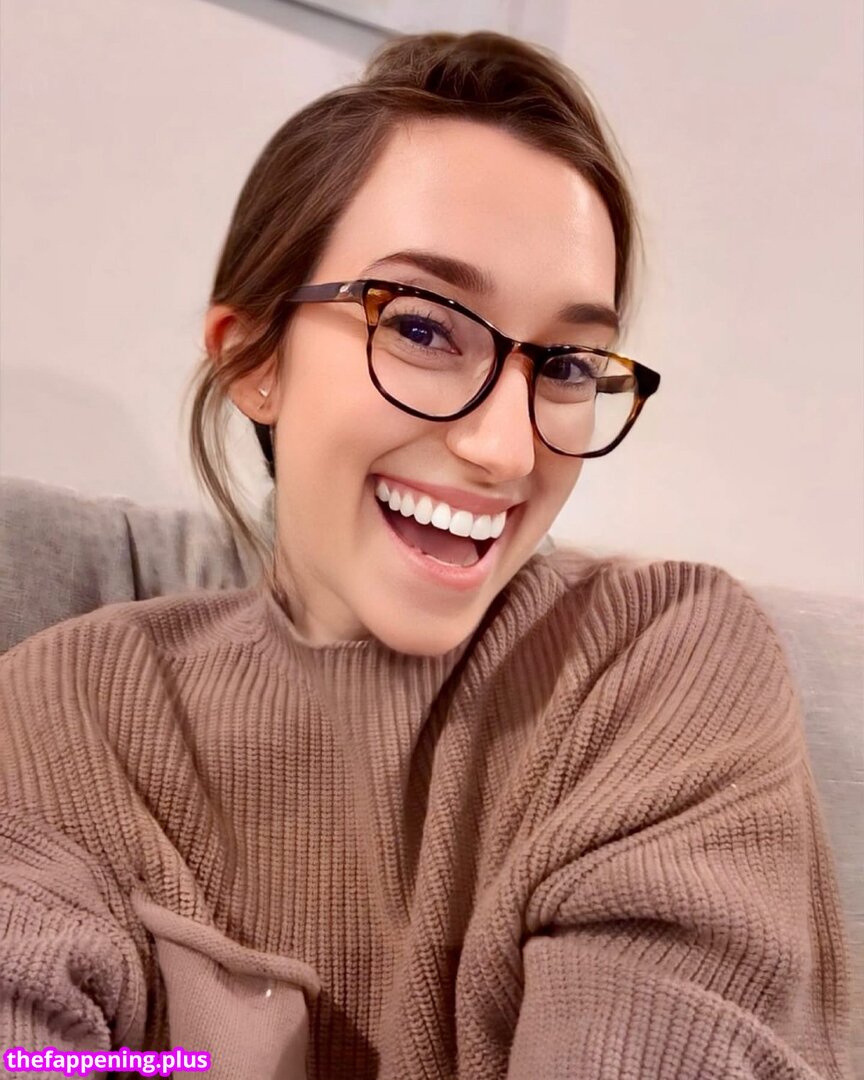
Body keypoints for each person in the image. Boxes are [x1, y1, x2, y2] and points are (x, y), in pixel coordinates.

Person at [0, 30, 851, 1080]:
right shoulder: (67, 711)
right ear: (254, 358)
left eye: (568, 364)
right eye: (422, 329)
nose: (506, 450)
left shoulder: (662, 664)